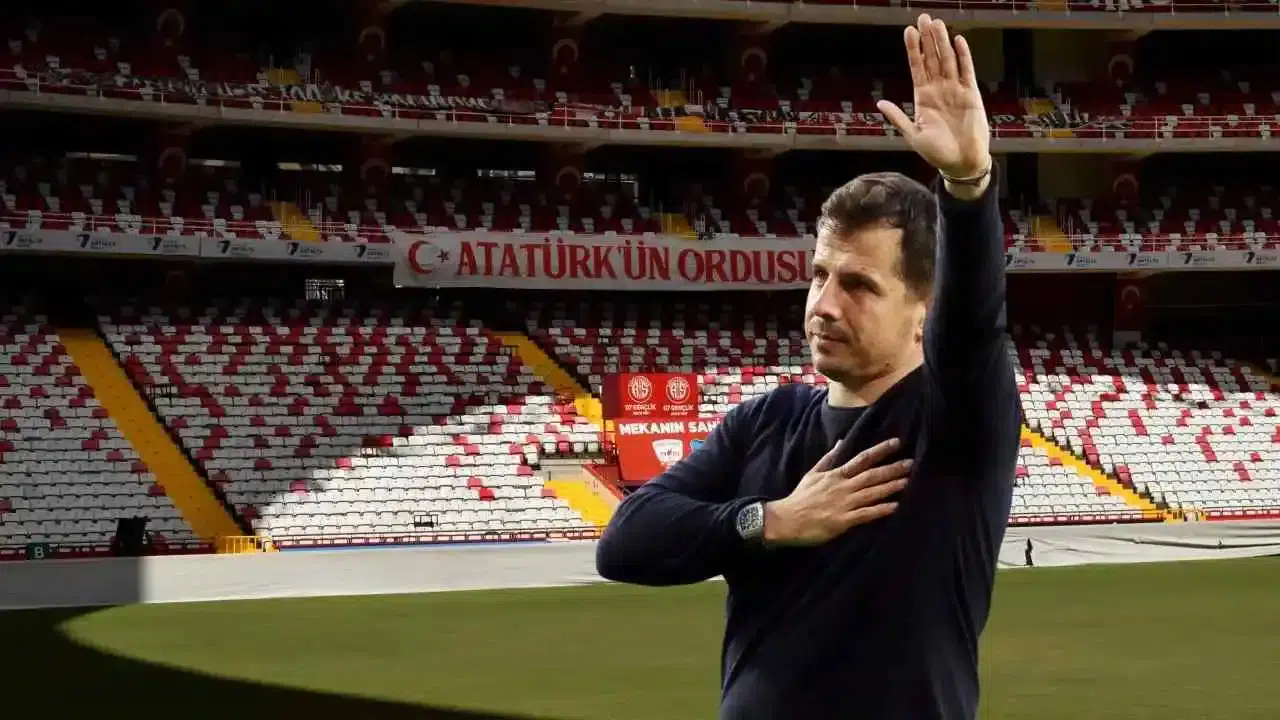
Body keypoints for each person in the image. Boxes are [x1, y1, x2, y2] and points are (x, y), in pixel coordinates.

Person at [595, 14, 1020, 720]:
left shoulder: (951, 426)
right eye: (819, 275)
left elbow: (976, 326)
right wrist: (771, 521)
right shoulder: (767, 421)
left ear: (924, 309)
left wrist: (968, 185)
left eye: (858, 285)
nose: (824, 304)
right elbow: (625, 542)